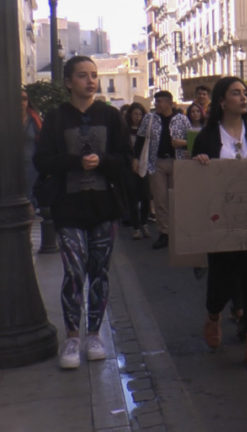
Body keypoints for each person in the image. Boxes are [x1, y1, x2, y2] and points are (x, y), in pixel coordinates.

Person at [34, 56, 131, 370]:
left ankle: (94, 333)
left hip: (103, 207)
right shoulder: (56, 117)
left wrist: (102, 162)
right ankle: (73, 336)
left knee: (99, 272)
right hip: (69, 207)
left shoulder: (111, 116)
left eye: (94, 75)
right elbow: (43, 161)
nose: (90, 81)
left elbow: (125, 159)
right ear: (68, 82)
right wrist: (76, 162)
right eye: (82, 76)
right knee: (74, 272)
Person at [193, 77, 247, 370]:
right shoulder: (207, 137)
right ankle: (214, 314)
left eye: (245, 93)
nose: (243, 98)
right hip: (221, 224)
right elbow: (196, 181)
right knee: (222, 278)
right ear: (221, 101)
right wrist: (201, 162)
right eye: (235, 93)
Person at [135, 91, 190, 250]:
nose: (157, 104)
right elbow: (140, 138)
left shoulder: (181, 119)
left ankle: (179, 231)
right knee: (160, 199)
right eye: (156, 101)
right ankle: (164, 232)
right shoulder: (150, 119)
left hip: (177, 162)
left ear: (169, 103)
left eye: (160, 101)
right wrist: (136, 158)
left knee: (177, 199)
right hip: (156, 162)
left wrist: (182, 143)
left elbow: (192, 140)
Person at [124, 103, 151, 240]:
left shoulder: (145, 130)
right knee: (132, 197)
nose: (138, 117)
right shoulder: (125, 130)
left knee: (145, 196)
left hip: (143, 165)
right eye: (135, 114)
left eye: (140, 114)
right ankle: (136, 227)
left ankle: (144, 223)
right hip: (129, 167)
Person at [22, 88, 43, 210]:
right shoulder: (6, 119)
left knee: (28, 198)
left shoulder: (34, 120)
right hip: (10, 168)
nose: (22, 102)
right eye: (19, 99)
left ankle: (27, 225)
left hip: (31, 166)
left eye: (24, 99)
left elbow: (41, 141)